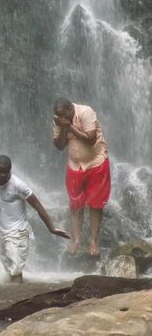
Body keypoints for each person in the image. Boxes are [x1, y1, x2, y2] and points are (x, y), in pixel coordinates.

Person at [0, 155, 70, 283]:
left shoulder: (19, 185)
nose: (3, 175)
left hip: (18, 233)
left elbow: (37, 205)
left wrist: (51, 228)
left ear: (10, 169)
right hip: (4, 232)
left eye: (6, 171)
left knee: (16, 271)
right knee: (10, 268)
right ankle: (16, 295)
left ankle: (16, 299)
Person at [53, 98, 110, 256]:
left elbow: (91, 139)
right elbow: (59, 146)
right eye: (58, 116)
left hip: (96, 162)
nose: (60, 118)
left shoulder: (86, 112)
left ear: (71, 109)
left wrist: (69, 126)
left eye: (63, 115)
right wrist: (63, 128)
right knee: (75, 204)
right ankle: (77, 240)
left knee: (96, 204)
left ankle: (93, 241)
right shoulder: (60, 121)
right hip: (74, 165)